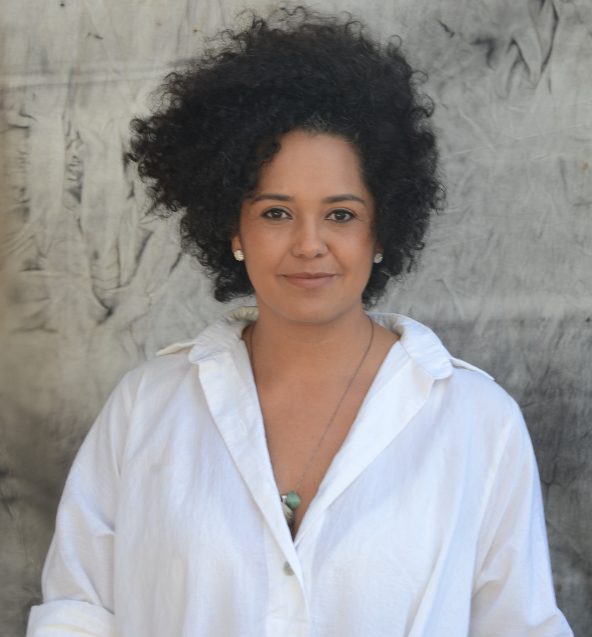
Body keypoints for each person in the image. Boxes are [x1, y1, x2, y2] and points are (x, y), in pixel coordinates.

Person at [27, 6, 573, 636]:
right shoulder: (146, 407)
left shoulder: (478, 422)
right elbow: (78, 613)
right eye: (276, 213)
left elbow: (518, 625)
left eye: (341, 214)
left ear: (381, 230)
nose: (309, 244)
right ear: (233, 229)